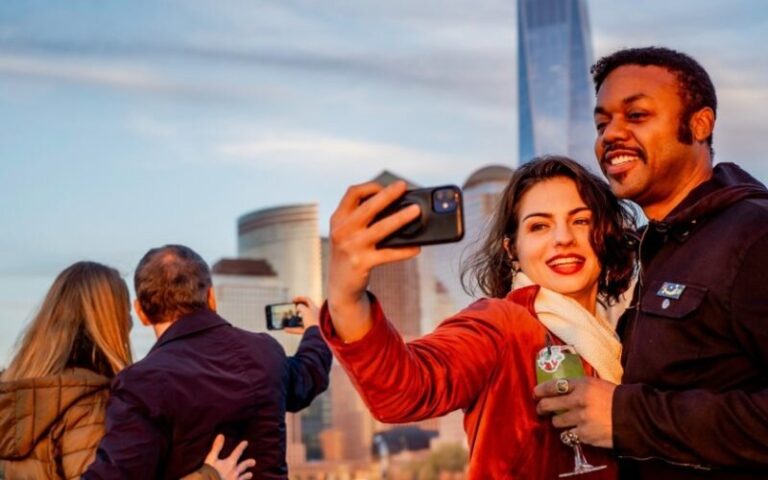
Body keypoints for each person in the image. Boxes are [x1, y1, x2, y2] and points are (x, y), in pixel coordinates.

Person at [321, 156, 636, 478]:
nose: (563, 238)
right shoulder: (503, 324)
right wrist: (346, 296)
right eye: (539, 225)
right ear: (513, 250)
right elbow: (405, 389)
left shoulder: (627, 331)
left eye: (581, 221)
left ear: (607, 233)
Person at [534, 47, 768, 479]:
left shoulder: (753, 235)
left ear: (699, 124)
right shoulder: (649, 250)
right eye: (602, 123)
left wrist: (626, 418)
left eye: (636, 115)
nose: (611, 135)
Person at [83, 245, 332, 480]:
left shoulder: (140, 383)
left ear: (141, 313)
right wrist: (315, 331)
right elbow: (308, 376)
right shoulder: (265, 351)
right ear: (211, 297)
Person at [0, 261, 254, 480]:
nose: (130, 323)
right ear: (109, 323)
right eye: (125, 313)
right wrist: (209, 475)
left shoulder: (20, 402)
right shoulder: (90, 406)